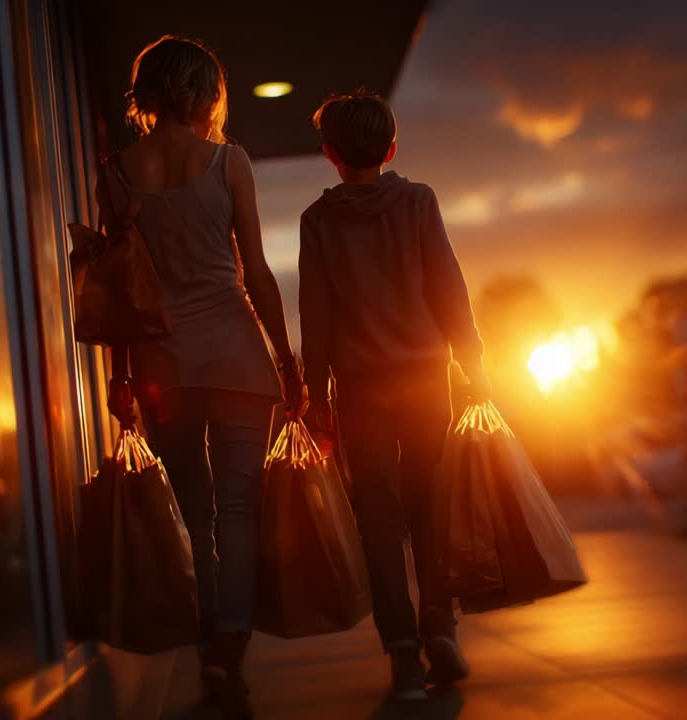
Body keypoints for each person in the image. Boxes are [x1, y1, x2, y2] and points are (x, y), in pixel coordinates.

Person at [102, 35, 306, 719]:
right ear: (203, 91)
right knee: (240, 514)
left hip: (165, 365)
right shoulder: (228, 162)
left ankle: (208, 658)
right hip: (238, 356)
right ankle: (229, 656)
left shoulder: (118, 174)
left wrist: (121, 376)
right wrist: (286, 356)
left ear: (151, 91)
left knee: (195, 515)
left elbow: (117, 290)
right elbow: (254, 268)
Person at [298, 92, 488, 701]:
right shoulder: (417, 202)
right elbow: (449, 288)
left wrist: (317, 392)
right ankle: (440, 626)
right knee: (432, 506)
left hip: (360, 390)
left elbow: (316, 314)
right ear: (392, 147)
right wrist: (472, 361)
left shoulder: (318, 221)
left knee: (377, 521)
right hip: (425, 382)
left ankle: (404, 654)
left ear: (329, 153)